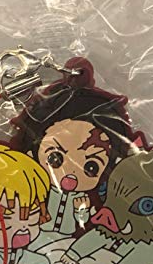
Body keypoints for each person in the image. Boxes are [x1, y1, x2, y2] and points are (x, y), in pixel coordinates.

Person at [10, 58, 134, 252]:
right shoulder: (38, 190)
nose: (70, 174)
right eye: (55, 158)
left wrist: (80, 211)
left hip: (68, 241)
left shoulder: (84, 198)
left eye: (91, 167)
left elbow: (84, 222)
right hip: (36, 237)